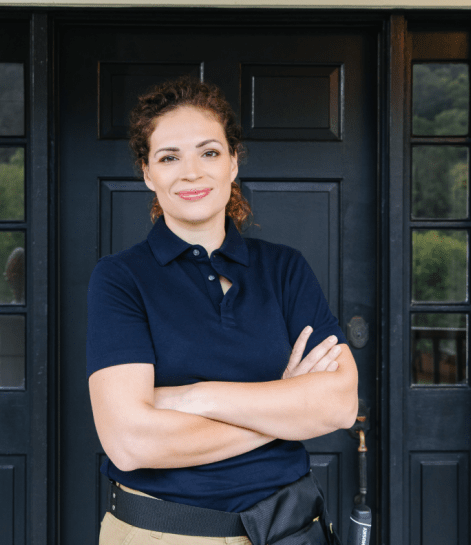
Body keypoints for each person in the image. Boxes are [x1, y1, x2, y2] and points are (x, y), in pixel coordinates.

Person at [87, 77, 358, 545]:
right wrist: (282, 405)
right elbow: (131, 442)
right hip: (164, 535)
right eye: (169, 157)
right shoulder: (120, 278)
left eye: (208, 152)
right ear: (148, 173)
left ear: (233, 162)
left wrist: (192, 396)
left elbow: (338, 405)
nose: (191, 172)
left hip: (291, 531)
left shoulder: (285, 269)